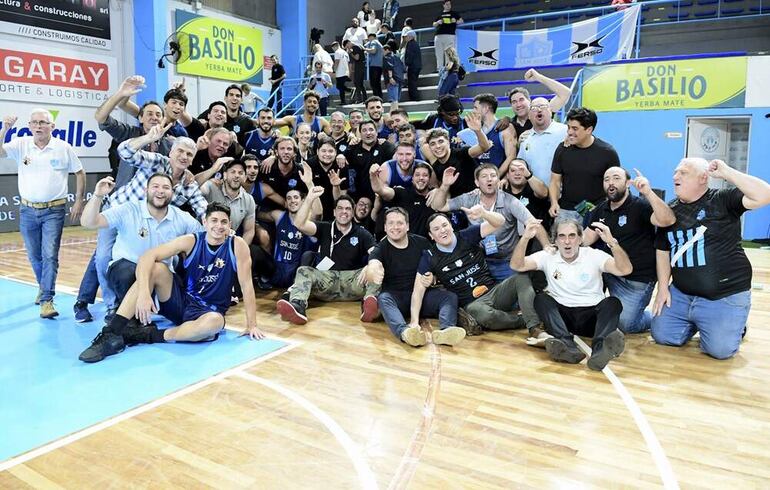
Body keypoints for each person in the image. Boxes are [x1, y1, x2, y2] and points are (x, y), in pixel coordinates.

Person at [78, 202, 264, 363]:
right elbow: (148, 256)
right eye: (214, 220)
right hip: (181, 302)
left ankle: (144, 335)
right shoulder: (191, 241)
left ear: (229, 225)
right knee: (157, 268)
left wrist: (252, 324)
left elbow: (247, 285)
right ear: (204, 223)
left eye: (224, 222)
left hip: (209, 312)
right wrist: (144, 293)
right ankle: (111, 332)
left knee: (214, 323)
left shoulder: (237, 245)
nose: (219, 226)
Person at [651, 158, 770, 360]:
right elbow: (663, 250)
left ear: (703, 178)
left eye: (683, 172)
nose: (675, 177)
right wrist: (663, 287)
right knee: (662, 336)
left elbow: (764, 195)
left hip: (723, 294)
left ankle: (735, 325)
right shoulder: (669, 211)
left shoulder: (722, 200)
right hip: (682, 294)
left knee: (720, 351)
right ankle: (700, 322)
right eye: (675, 172)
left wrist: (728, 172)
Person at [79, 173, 202, 322]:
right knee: (128, 272)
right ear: (146, 191)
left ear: (172, 193)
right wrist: (98, 196)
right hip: (126, 271)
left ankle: (153, 309)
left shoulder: (181, 217)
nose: (160, 191)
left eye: (166, 187)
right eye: (155, 186)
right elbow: (88, 222)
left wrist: (225, 233)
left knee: (184, 315)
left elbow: (204, 237)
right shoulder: (129, 210)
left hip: (159, 274)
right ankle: (128, 316)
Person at [511, 218, 631, 369]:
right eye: (562, 236)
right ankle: (567, 347)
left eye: (572, 236)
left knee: (613, 303)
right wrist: (525, 238)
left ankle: (599, 351)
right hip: (563, 318)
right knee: (541, 299)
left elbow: (625, 269)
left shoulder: (594, 255)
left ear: (580, 239)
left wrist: (612, 243)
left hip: (591, 317)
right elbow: (517, 265)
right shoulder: (548, 256)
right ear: (555, 240)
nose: (567, 241)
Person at [0, 110, 85, 318]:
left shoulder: (63, 148)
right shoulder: (21, 144)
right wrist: (4, 130)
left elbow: (80, 172)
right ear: (29, 126)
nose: (38, 126)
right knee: (34, 255)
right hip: (27, 210)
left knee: (50, 256)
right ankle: (42, 286)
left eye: (43, 123)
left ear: (52, 127)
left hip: (54, 210)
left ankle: (47, 299)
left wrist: (79, 200)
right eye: (34, 123)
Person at [415, 209, 540, 336]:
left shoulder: (466, 235)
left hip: (494, 292)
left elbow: (500, 221)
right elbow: (417, 291)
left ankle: (534, 327)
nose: (442, 230)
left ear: (451, 226)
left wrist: (484, 213)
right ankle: (521, 321)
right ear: (431, 235)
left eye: (444, 225)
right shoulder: (429, 256)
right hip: (473, 304)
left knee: (521, 278)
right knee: (483, 315)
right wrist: (414, 322)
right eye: (436, 229)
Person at [582, 167, 675, 334]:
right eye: (606, 179)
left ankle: (655, 318)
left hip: (636, 280)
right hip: (610, 272)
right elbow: (586, 239)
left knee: (625, 325)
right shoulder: (600, 210)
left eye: (616, 178)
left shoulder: (641, 207)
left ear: (627, 183)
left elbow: (667, 220)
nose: (611, 183)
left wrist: (647, 192)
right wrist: (563, 241)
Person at [431, 163, 551, 281]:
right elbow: (439, 206)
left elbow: (533, 224)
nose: (489, 179)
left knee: (513, 296)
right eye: (484, 176)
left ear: (498, 181)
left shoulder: (510, 201)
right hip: (478, 260)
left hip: (506, 261)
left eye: (493, 176)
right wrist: (445, 186)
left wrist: (546, 246)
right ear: (477, 183)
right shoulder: (469, 198)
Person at [276, 190, 379, 324]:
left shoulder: (362, 233)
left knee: (377, 270)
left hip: (353, 282)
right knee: (303, 271)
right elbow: (299, 224)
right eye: (340, 208)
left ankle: (369, 305)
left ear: (353, 212)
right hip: (326, 280)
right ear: (334, 212)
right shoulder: (325, 228)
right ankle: (298, 306)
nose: (344, 211)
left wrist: (370, 266)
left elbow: (376, 254)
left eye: (348, 209)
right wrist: (309, 199)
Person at [368, 207, 464, 346]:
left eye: (400, 223)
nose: (395, 227)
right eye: (391, 223)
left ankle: (446, 331)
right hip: (397, 299)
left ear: (407, 226)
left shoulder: (421, 243)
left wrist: (434, 278)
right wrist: (371, 270)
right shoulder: (381, 248)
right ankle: (405, 333)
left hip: (423, 296)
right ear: (385, 227)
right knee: (383, 299)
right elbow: (373, 263)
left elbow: (437, 266)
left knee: (449, 297)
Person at [549, 107, 620, 221]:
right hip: (566, 211)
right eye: (569, 127)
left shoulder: (607, 152)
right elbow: (555, 181)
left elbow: (615, 184)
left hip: (596, 211)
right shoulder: (562, 149)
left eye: (575, 128)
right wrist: (554, 202)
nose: (569, 132)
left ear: (589, 129)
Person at [423, 112, 491, 197]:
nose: (437, 146)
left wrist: (478, 131)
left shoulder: (462, 153)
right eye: (433, 144)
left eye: (440, 142)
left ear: (448, 142)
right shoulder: (435, 164)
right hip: (456, 204)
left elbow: (484, 147)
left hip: (478, 198)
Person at [268, 189, 320, 288]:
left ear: (303, 201)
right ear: (286, 203)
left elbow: (318, 213)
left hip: (297, 271)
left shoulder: (309, 220)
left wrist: (310, 186)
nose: (292, 201)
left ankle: (296, 289)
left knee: (308, 255)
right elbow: (259, 215)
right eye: (289, 198)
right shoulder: (279, 215)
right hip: (278, 268)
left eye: (296, 197)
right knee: (255, 251)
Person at [371, 159, 434, 238]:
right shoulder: (402, 193)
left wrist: (438, 191)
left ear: (430, 179)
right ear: (412, 179)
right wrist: (373, 175)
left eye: (425, 175)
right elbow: (380, 190)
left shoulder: (436, 195)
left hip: (428, 246)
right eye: (417, 175)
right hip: (405, 245)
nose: (421, 178)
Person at [457, 93, 518, 176]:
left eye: (475, 108)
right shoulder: (473, 130)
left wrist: (496, 177)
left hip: (496, 181)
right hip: (476, 182)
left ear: (486, 109)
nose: (473, 111)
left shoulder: (506, 128)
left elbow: (511, 157)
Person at [515, 97, 568, 185]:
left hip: (563, 194)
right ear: (529, 116)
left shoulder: (565, 131)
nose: (539, 110)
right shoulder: (525, 138)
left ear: (551, 112)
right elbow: (521, 167)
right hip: (536, 194)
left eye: (543, 107)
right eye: (534, 108)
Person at [507, 69, 573, 139]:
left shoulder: (543, 110)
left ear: (529, 101)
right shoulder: (509, 124)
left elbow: (565, 93)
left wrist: (538, 77)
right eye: (514, 102)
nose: (518, 104)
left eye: (521, 100)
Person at [339, 120, 396, 200]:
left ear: (376, 132)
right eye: (364, 130)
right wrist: (340, 156)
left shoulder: (385, 147)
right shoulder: (353, 148)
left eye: (371, 129)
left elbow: (396, 162)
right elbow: (342, 160)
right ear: (360, 134)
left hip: (381, 196)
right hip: (359, 197)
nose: (368, 133)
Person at [432, 0, 464, 71]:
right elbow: (433, 24)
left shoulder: (454, 13)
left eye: (449, 4)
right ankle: (439, 69)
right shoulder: (439, 14)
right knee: (439, 54)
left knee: (449, 54)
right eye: (447, 4)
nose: (449, 6)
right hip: (439, 36)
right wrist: (437, 22)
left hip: (449, 35)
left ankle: (449, 69)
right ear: (443, 5)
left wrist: (455, 21)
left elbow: (461, 21)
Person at [344, 39, 367, 104]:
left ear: (348, 43)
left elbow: (357, 58)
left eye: (347, 46)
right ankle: (364, 98)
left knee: (357, 83)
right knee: (360, 83)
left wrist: (351, 53)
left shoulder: (355, 47)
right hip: (361, 66)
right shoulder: (359, 45)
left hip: (359, 66)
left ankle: (359, 99)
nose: (348, 48)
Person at [403, 30, 422, 102]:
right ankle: (415, 97)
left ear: (411, 37)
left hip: (412, 66)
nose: (406, 38)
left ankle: (414, 98)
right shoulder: (416, 44)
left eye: (407, 36)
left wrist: (406, 63)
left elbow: (410, 55)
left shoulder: (410, 44)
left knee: (412, 83)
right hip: (417, 66)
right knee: (413, 82)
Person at [364, 33, 384, 99]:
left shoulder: (374, 42)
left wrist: (365, 49)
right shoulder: (378, 43)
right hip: (379, 65)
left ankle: (376, 98)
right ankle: (379, 97)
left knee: (373, 83)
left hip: (374, 65)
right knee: (377, 83)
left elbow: (373, 50)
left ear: (371, 37)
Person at [332, 41, 351, 106]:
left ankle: (344, 99)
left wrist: (334, 71)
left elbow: (337, 62)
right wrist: (349, 72)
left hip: (340, 73)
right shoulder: (345, 52)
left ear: (335, 46)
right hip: (345, 71)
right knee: (340, 87)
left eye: (333, 48)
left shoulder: (337, 52)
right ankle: (348, 92)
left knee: (340, 87)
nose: (333, 49)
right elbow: (348, 63)